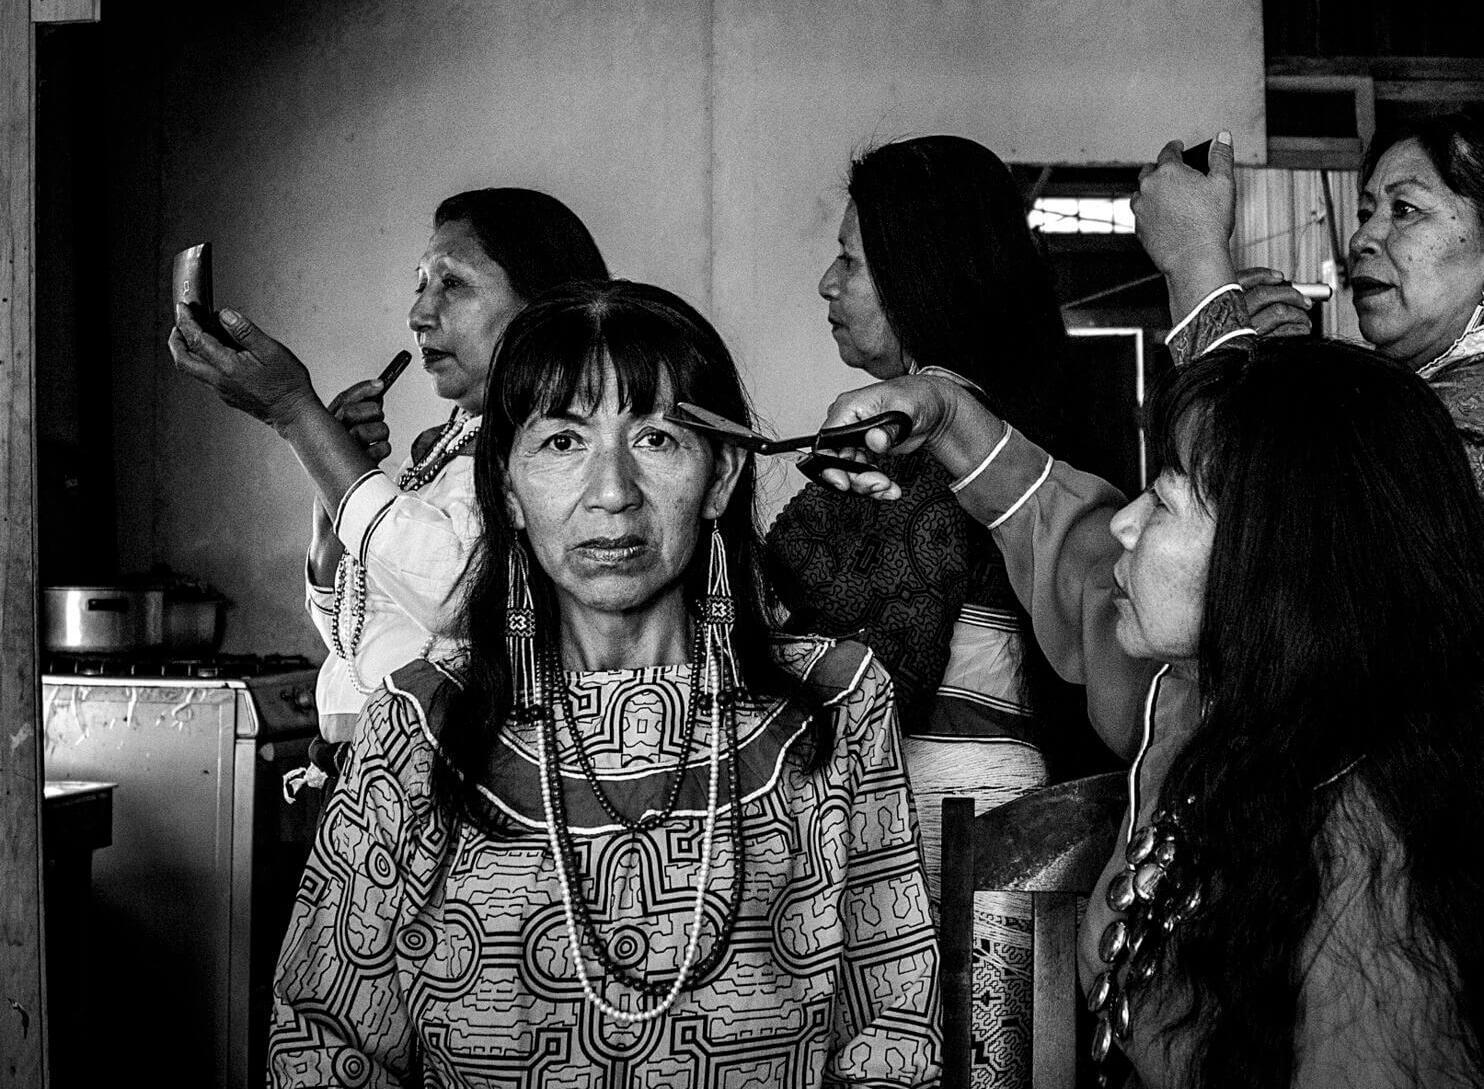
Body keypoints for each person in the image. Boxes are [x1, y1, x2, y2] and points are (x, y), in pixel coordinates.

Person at [820, 340, 1484, 1088]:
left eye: (1164, 500)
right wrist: (941, 416)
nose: (1125, 525)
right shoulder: (1193, 697)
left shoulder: (1373, 854)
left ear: (1273, 562)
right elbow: (1074, 543)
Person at [267, 281, 940, 1087]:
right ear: (508, 490)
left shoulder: (834, 705)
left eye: (657, 438)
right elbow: (326, 1047)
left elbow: (891, 1037)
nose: (613, 493)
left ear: (721, 477)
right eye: (561, 443)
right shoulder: (418, 727)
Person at [1127, 116, 1484, 811]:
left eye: (1406, 211)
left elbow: (1277, 513)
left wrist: (1197, 269)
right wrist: (1266, 375)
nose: (1364, 237)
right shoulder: (1420, 400)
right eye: (1365, 212)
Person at [765, 135, 1093, 1087]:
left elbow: (884, 671)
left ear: (919, 276)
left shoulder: (928, 437)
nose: (828, 282)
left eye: (852, 260)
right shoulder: (1003, 430)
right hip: (1007, 822)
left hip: (956, 836)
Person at [170, 188, 610, 757]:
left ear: (543, 305)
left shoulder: (559, 446)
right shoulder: (443, 447)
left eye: (452, 284)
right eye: (421, 284)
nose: (419, 315)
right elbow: (350, 635)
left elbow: (459, 597)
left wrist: (298, 417)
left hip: (446, 778)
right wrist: (332, 508)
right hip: (368, 774)